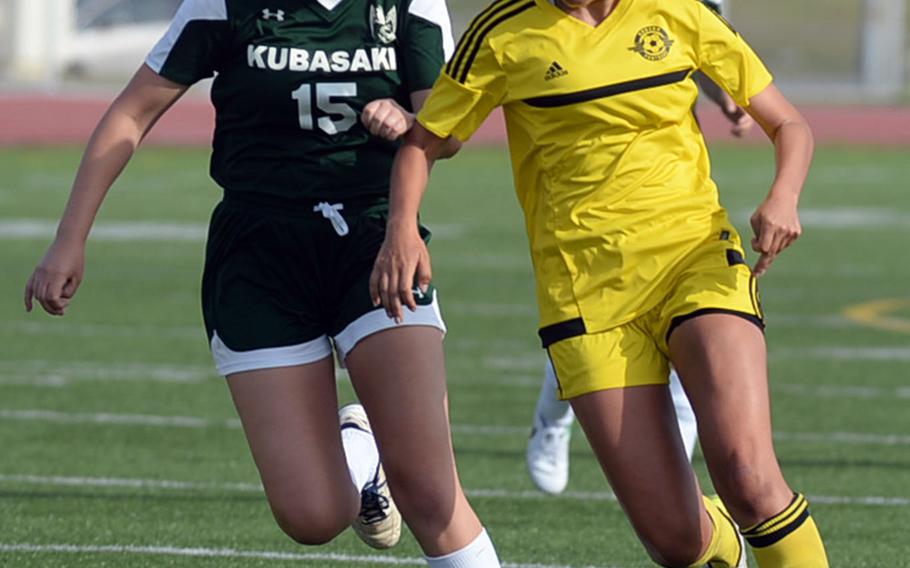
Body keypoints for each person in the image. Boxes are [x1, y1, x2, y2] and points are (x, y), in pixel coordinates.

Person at [23, 0, 502, 566]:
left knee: (432, 494)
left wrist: (408, 122)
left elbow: (444, 131)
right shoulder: (225, 3)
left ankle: (379, 457)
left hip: (374, 241)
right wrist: (69, 237)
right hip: (259, 255)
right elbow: (132, 112)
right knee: (312, 516)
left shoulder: (409, 3)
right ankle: (358, 452)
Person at [370, 0, 829, 565]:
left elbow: (789, 123)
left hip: (695, 262)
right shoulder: (503, 32)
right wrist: (401, 232)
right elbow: (424, 142)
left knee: (749, 477)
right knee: (676, 540)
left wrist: (783, 196)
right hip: (585, 300)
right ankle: (722, 546)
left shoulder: (679, 11)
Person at [526, 0, 756, 497]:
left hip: (665, 184)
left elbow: (705, 41)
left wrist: (726, 97)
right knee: (593, 317)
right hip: (587, 187)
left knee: (688, 315)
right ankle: (551, 419)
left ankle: (679, 443)